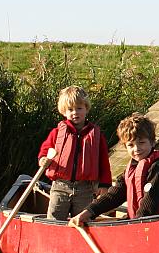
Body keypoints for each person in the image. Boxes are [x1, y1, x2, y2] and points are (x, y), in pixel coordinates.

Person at [69, 113, 159, 226]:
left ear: (152, 142)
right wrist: (88, 212)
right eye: (131, 145)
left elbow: (150, 202)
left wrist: (135, 225)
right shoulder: (131, 169)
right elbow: (114, 195)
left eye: (141, 142)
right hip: (141, 224)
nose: (137, 149)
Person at [39, 85, 112, 221]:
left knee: (83, 220)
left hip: (85, 188)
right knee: (54, 218)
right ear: (64, 112)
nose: (75, 113)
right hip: (61, 186)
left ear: (86, 109)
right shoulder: (57, 132)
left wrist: (104, 185)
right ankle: (54, 240)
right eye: (70, 109)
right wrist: (43, 159)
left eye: (79, 108)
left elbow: (103, 161)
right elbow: (46, 149)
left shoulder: (96, 135)